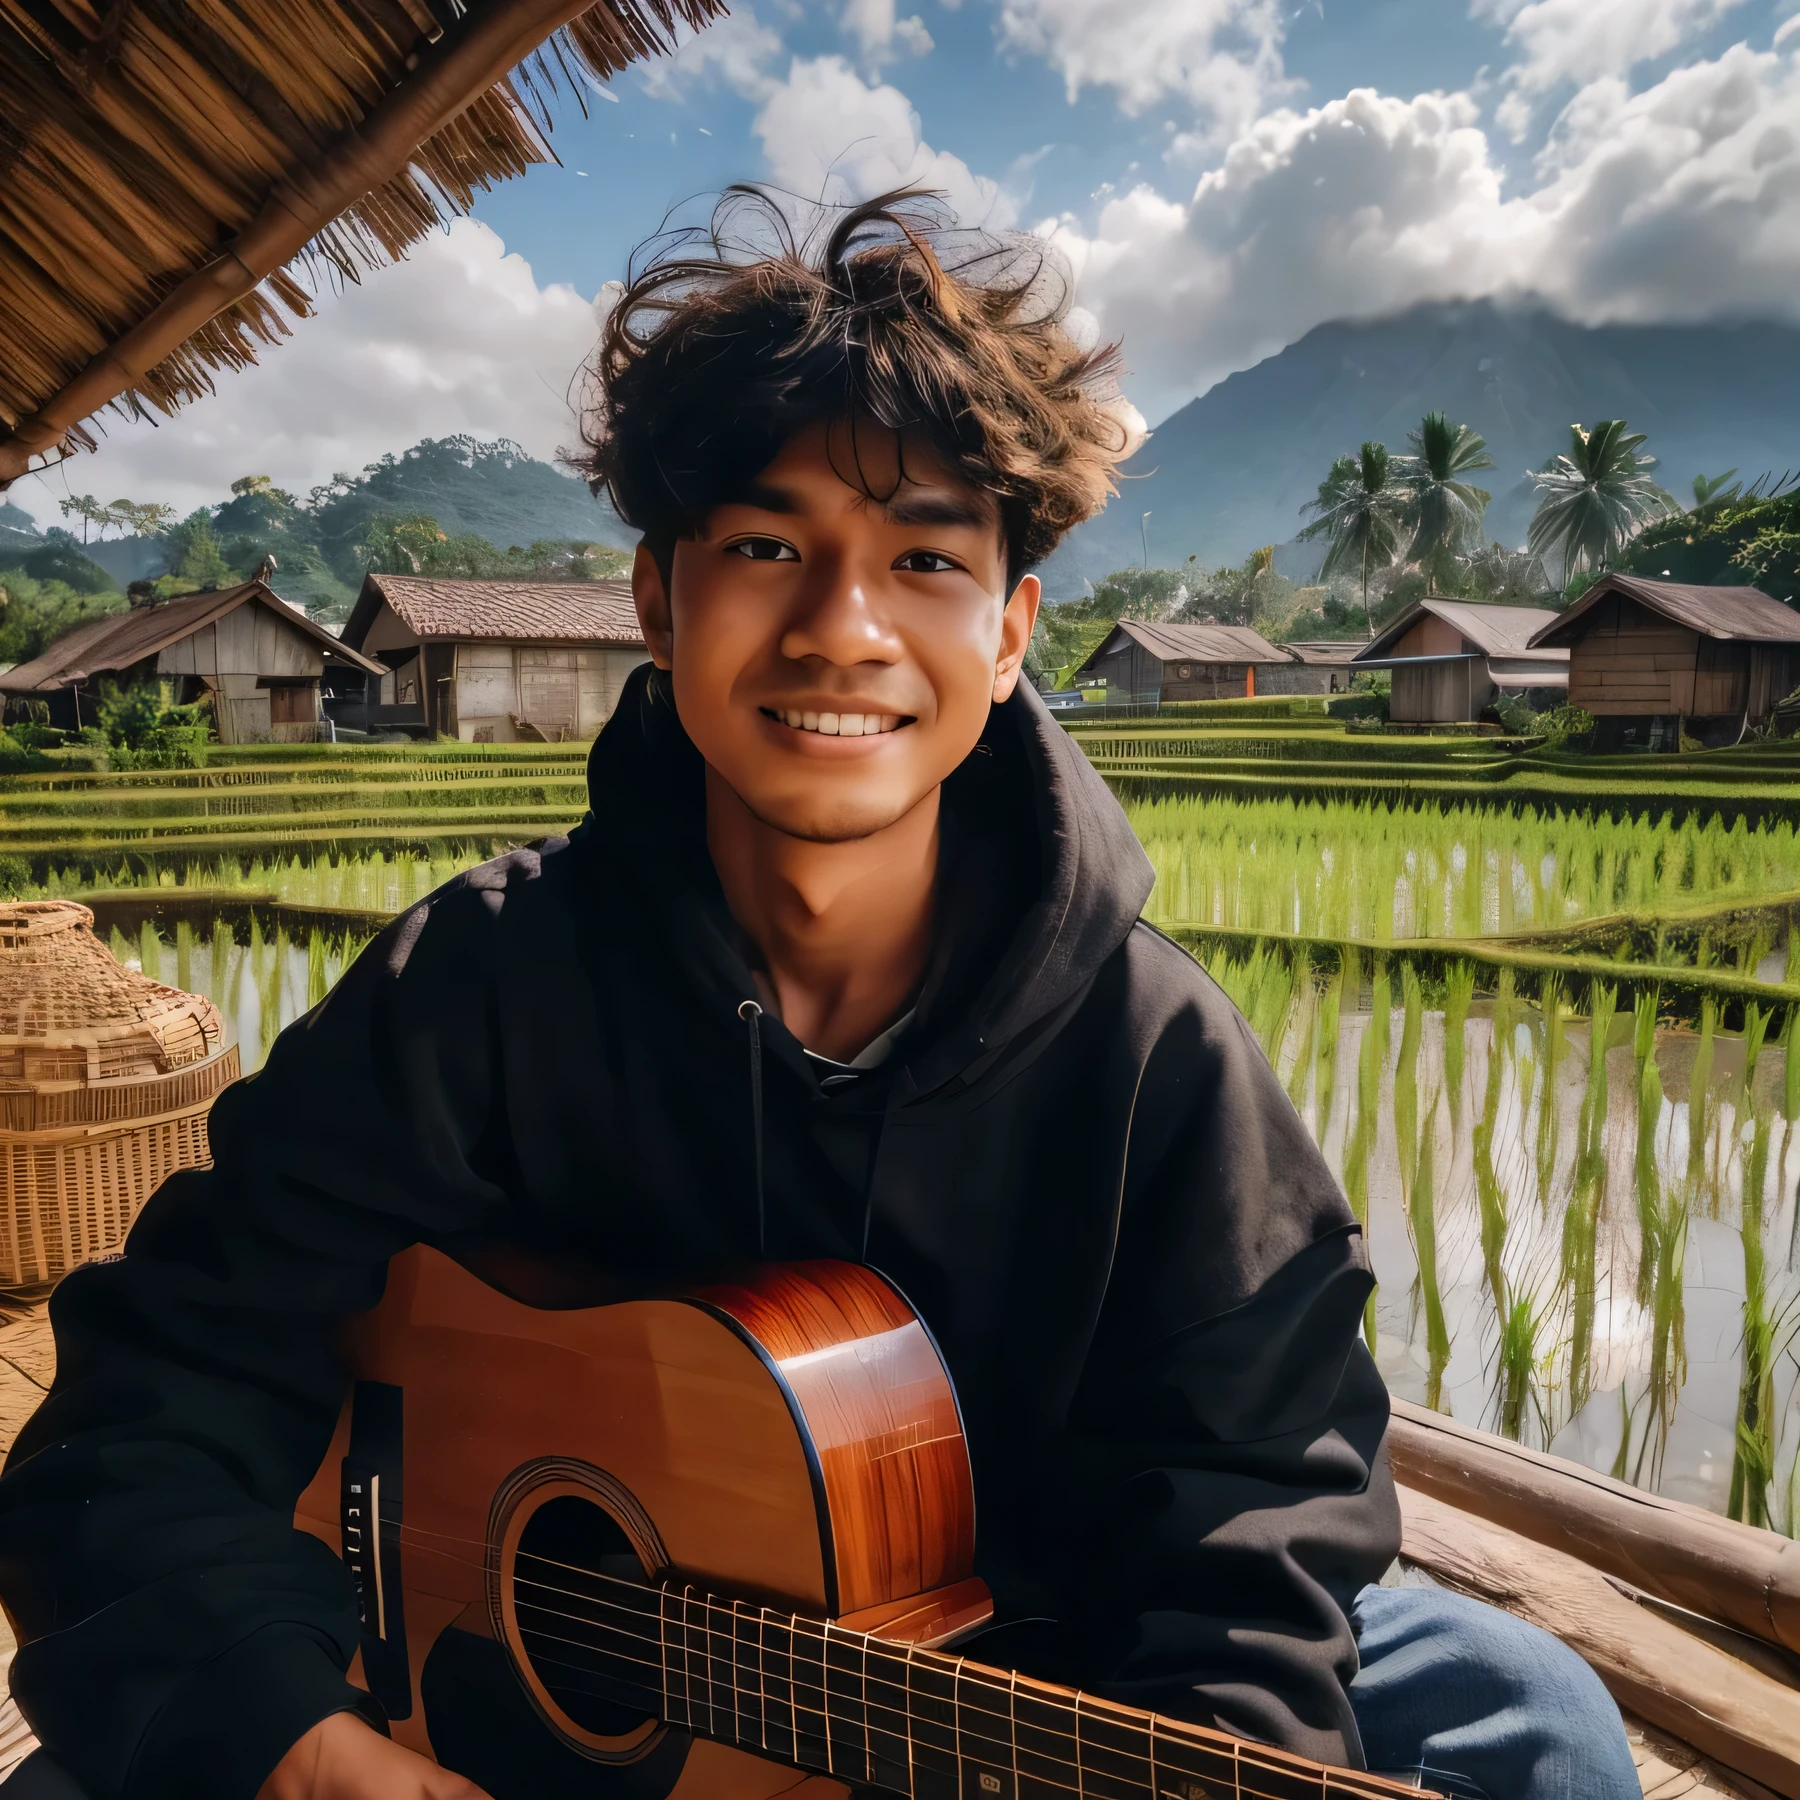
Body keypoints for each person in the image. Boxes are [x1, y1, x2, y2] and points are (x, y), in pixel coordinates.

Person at [0, 189, 1637, 1800]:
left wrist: (1202, 1727)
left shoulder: (1161, 1069)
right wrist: (303, 1748)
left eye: (923, 557)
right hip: (489, 1714)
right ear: (659, 599)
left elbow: (1253, 1534)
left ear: (1007, 637)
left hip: (1031, 1684)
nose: (840, 630)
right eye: (767, 545)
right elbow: (145, 1403)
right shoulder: (479, 991)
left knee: (1523, 1717)